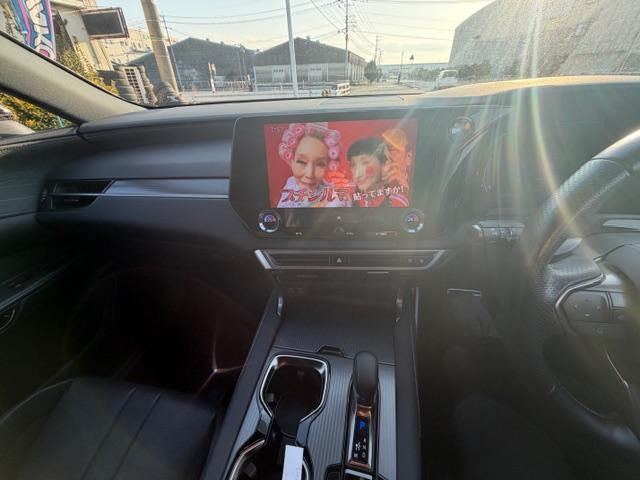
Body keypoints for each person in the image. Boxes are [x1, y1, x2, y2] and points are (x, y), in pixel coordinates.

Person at [276, 122, 351, 208]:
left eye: (320, 164)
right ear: (291, 161)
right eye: (301, 162)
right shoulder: (291, 184)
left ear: (328, 165)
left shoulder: (336, 197)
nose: (310, 174)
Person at [347, 137, 410, 207]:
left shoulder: (397, 199)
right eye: (353, 165)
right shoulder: (345, 193)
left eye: (365, 163)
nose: (357, 174)